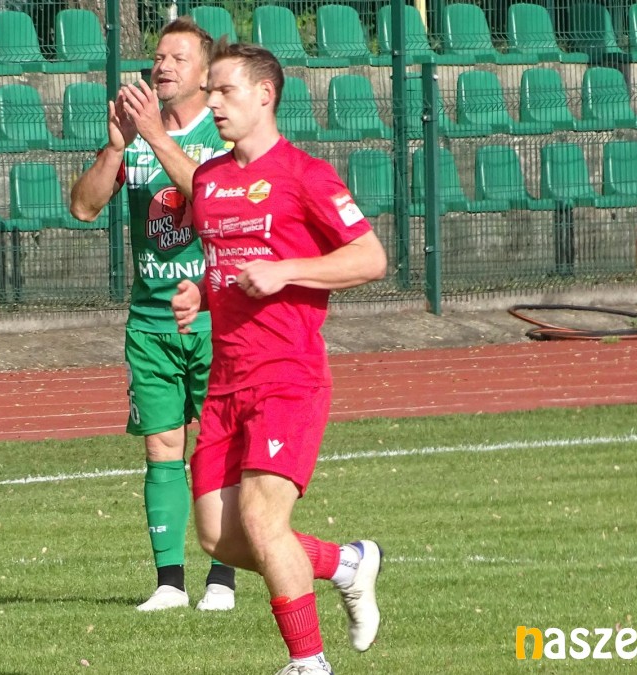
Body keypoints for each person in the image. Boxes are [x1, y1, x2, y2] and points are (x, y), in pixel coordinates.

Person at [171, 40, 387, 675]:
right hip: (225, 381)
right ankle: (346, 563)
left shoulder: (305, 175)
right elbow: (229, 267)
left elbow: (371, 258)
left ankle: (308, 662)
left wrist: (287, 270)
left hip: (288, 376)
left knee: (265, 521)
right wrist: (200, 293)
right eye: (209, 91)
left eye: (225, 90)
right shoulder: (208, 180)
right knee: (218, 538)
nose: (213, 103)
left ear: (265, 94)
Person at [70, 16, 237, 613]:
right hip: (150, 321)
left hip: (217, 319)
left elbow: (211, 196)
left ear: (205, 74)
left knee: (220, 446)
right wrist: (118, 147)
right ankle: (169, 583)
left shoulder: (223, 134)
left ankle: (223, 578)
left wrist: (152, 137)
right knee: (162, 447)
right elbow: (83, 207)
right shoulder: (134, 133)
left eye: (177, 58)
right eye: (158, 57)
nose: (161, 66)